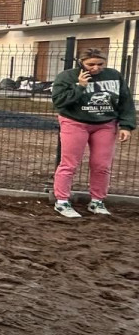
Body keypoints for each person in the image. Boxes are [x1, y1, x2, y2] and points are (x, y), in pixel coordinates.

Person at [50, 47, 134, 218]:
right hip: (75, 122)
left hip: (105, 124)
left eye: (100, 64)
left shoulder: (114, 76)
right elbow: (59, 101)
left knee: (101, 165)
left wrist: (126, 126)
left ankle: (97, 201)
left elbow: (125, 101)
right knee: (69, 164)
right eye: (91, 64)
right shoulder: (67, 77)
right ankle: (62, 201)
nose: (95, 68)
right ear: (82, 62)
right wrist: (80, 87)